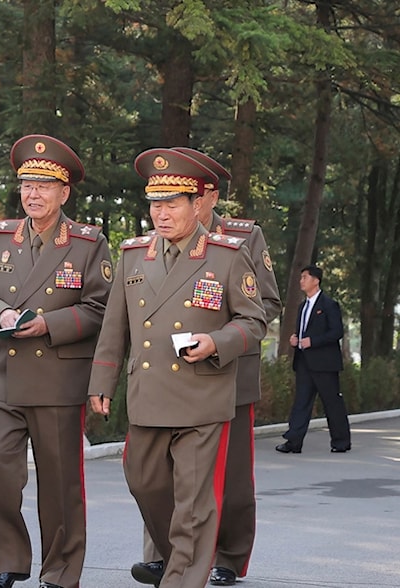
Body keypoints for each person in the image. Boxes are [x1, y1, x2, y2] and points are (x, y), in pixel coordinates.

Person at [87, 148, 266, 588]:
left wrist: (216, 342)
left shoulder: (226, 254)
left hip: (202, 395)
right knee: (143, 481)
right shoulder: (132, 254)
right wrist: (102, 380)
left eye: (171, 204)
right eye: (155, 205)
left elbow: (254, 319)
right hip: (149, 393)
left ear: (196, 205)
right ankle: (183, 553)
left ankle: (184, 574)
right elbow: (114, 328)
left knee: (192, 501)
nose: (161, 214)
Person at [130, 148, 282, 586]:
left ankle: (228, 558)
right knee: (162, 476)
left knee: (228, 479)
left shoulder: (242, 239)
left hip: (225, 374)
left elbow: (264, 303)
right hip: (167, 379)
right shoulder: (153, 243)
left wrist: (220, 339)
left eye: (200, 192)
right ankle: (165, 555)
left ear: (207, 196)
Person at [0, 135, 112, 588]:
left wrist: (48, 324)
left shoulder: (88, 244)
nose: (32, 194)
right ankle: (8, 560)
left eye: (43, 186)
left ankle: (61, 569)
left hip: (57, 377)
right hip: (6, 375)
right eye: (26, 184)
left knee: (60, 484)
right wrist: (1, 314)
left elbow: (101, 309)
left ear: (64, 193)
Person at [278, 264, 351, 453]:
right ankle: (293, 442)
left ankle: (341, 442)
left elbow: (336, 332)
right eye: (301, 277)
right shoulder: (303, 306)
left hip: (325, 364)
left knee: (332, 403)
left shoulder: (329, 305)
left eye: (305, 277)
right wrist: (296, 339)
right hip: (304, 362)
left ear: (316, 280)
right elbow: (303, 331)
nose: (301, 281)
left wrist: (313, 341)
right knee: (301, 402)